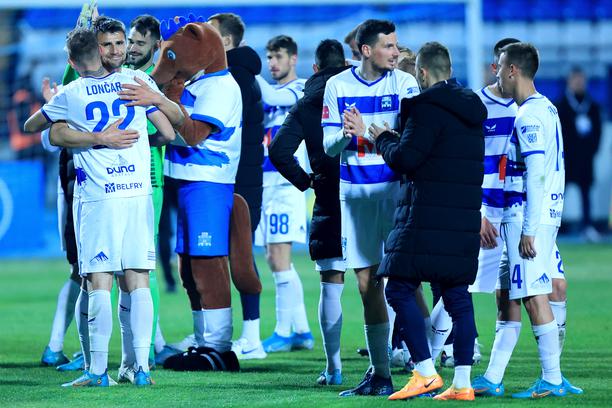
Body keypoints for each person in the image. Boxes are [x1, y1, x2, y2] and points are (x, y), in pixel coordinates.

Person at [24, 28, 180, 387]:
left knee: (98, 282)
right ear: (101, 51)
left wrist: (69, 119)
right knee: (138, 279)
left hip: (99, 198)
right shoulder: (136, 81)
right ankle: (139, 368)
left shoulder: (71, 93)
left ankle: (96, 371)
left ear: (71, 63)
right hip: (139, 194)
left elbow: (38, 128)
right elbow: (171, 132)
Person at [368, 41, 485, 401]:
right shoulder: (472, 111)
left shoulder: (425, 109)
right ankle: (462, 384)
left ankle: (425, 372)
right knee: (457, 297)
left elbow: (406, 158)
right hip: (463, 217)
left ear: (421, 72)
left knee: (397, 288)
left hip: (426, 216)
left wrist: (383, 137)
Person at [471, 42, 578, 399]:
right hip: (530, 216)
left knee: (533, 296)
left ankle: (551, 377)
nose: (496, 72)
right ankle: (493, 376)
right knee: (508, 295)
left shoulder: (527, 116)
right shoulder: (546, 108)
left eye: (500, 66)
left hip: (524, 218)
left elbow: (535, 175)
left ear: (513, 70)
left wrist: (529, 229)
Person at [322, 19, 419, 397]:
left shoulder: (405, 84)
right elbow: (328, 145)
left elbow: (410, 141)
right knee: (367, 284)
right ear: (366, 50)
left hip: (396, 193)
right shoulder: (337, 86)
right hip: (356, 194)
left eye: (396, 46)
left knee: (406, 281)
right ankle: (380, 373)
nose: (396, 52)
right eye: (389, 46)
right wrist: (346, 135)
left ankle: (421, 365)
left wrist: (366, 129)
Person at [428, 38, 521, 370]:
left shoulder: (532, 108)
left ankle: (544, 373)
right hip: (481, 212)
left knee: (517, 292)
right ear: (496, 67)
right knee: (460, 283)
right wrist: (477, 212)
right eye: (503, 65)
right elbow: (465, 163)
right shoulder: (475, 107)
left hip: (517, 214)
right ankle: (432, 351)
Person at [269, 39, 349, 385]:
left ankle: (333, 368)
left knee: (332, 283)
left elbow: (279, 151)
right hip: (371, 195)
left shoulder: (306, 104)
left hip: (329, 196)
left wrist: (307, 182)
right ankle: (400, 359)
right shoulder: (359, 93)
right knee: (379, 282)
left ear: (314, 69)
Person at [125, 13, 184, 370]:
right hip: (115, 182)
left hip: (150, 180)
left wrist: (134, 144)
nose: (131, 47)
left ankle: (147, 348)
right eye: (130, 41)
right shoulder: (121, 78)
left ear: (155, 47)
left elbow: (174, 125)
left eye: (138, 42)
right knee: (117, 268)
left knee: (141, 265)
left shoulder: (155, 83)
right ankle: (146, 345)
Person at [207, 12, 266, 360]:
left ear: (226, 42)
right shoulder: (232, 75)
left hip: (240, 180)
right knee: (227, 254)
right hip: (234, 178)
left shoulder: (237, 78)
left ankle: (252, 337)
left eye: (210, 35)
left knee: (240, 255)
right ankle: (226, 334)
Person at [254, 35, 314, 354]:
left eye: (278, 57)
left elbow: (268, 95)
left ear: (293, 58)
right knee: (274, 258)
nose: (272, 63)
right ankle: (302, 331)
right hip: (266, 184)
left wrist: (245, 69)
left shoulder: (301, 89)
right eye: (268, 57)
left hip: (286, 184)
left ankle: (282, 330)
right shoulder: (269, 95)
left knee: (279, 258)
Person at [556, 67, 602, 242]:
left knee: (586, 194)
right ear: (569, 82)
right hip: (566, 159)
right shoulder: (560, 106)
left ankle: (587, 226)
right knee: (559, 194)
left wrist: (591, 151)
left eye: (581, 80)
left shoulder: (593, 106)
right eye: (575, 80)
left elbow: (598, 133)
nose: (578, 83)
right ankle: (554, 227)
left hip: (585, 159)